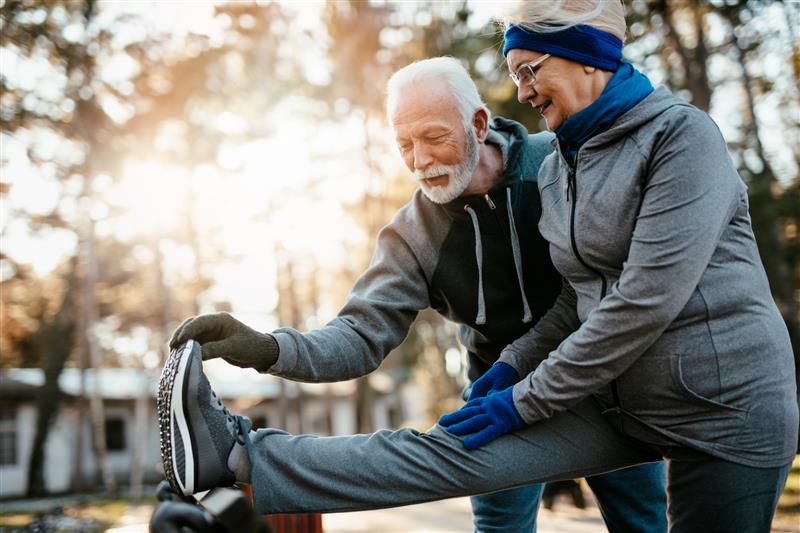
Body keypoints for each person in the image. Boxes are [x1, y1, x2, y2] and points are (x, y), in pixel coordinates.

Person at [160, 2, 797, 531]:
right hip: (550, 386)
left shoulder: (581, 156)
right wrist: (267, 348)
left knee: (641, 526)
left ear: (478, 123)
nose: (418, 159)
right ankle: (236, 454)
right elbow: (360, 335)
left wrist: (526, 393)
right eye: (403, 145)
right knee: (450, 462)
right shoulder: (428, 226)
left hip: (669, 392)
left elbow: (636, 300)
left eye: (433, 137)